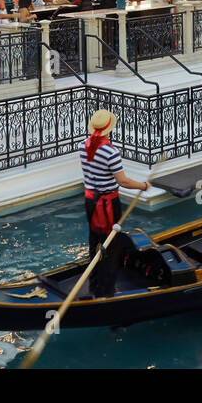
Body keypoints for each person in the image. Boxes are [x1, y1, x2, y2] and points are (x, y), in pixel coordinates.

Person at [79, 109, 150, 297]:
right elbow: (123, 181)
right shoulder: (111, 152)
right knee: (111, 246)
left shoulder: (83, 145)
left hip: (90, 201)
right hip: (107, 205)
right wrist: (142, 186)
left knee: (94, 241)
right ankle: (107, 292)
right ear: (108, 129)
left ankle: (94, 285)